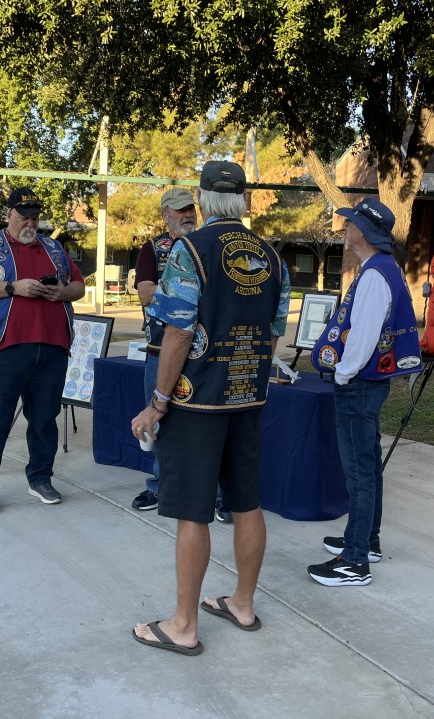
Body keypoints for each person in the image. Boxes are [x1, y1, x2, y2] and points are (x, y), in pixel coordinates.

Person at [130, 161, 290, 655]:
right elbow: (274, 333)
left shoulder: (190, 250)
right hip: (247, 398)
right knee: (246, 503)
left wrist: (157, 403)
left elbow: (178, 332)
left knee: (192, 512)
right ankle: (243, 603)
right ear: (243, 200)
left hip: (196, 401)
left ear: (201, 200)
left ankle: (183, 625)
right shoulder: (272, 257)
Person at [307, 198, 422, 587]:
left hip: (359, 383)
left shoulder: (374, 274)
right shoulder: (384, 267)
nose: (346, 228)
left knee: (358, 470)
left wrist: (343, 373)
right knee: (367, 465)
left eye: (351, 223)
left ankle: (354, 561)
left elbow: (364, 335)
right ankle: (366, 540)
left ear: (365, 232)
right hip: (370, 383)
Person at [0, 186, 85, 513]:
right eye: (23, 216)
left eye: (35, 217)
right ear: (9, 215)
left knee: (44, 420)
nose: (30, 222)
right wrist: (12, 287)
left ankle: (41, 479)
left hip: (51, 349)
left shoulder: (54, 248)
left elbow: (78, 286)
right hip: (1, 348)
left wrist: (62, 293)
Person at [130, 187, 198, 512]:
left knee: (205, 424)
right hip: (160, 351)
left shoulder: (207, 245)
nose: (187, 215)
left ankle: (214, 495)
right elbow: (145, 294)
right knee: (158, 420)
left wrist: (170, 292)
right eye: (180, 210)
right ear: (165, 215)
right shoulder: (153, 249)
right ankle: (159, 486)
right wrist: (191, 292)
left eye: (190, 209)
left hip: (203, 354)